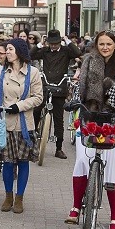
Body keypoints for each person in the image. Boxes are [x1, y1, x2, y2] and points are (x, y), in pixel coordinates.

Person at [65, 31, 115, 229]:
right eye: (101, 44)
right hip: (89, 117)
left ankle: (114, 217)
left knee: (113, 170)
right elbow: (81, 87)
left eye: (109, 44)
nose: (105, 47)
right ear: (96, 45)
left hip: (114, 120)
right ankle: (76, 207)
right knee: (82, 163)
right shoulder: (88, 62)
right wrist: (75, 101)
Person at [0, 39, 43, 214]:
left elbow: (38, 97)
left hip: (24, 123)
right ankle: (8, 195)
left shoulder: (33, 73)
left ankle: (19, 197)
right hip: (5, 123)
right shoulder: (2, 72)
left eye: (10, 49)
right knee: (8, 163)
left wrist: (18, 106)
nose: (6, 52)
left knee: (23, 162)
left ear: (19, 51)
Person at [30, 29, 82, 159]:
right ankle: (33, 139)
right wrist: (40, 44)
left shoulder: (65, 51)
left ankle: (59, 149)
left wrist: (68, 41)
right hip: (45, 87)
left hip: (60, 89)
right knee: (36, 111)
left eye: (56, 43)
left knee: (58, 119)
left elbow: (78, 52)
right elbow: (30, 55)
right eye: (51, 43)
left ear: (60, 41)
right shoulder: (45, 51)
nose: (53, 46)